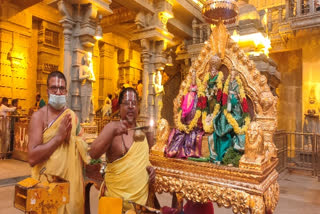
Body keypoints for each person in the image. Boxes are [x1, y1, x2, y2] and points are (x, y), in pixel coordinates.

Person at [28, 71, 88, 214]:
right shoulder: (39, 117)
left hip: (71, 187)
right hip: (46, 189)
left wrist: (76, 142)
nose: (58, 92)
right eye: (54, 88)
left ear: (66, 91)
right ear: (47, 91)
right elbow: (32, 158)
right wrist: (58, 138)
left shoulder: (72, 117)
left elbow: (83, 146)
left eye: (61, 88)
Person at [89, 87, 155, 212]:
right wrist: (111, 132)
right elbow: (93, 154)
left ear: (138, 107)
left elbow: (143, 160)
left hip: (139, 205)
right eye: (126, 103)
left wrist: (150, 169)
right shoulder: (111, 128)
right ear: (119, 107)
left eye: (134, 103)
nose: (131, 106)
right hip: (115, 204)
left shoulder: (142, 132)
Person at [165, 70, 204, 158]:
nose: (193, 78)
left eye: (195, 76)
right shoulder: (187, 90)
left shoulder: (199, 89)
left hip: (195, 113)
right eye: (192, 76)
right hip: (187, 105)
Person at [79, 52, 96, 123]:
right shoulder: (82, 67)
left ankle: (87, 119)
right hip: (84, 87)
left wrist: (90, 78)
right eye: (89, 57)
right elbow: (80, 77)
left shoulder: (90, 68)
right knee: (84, 104)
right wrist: (87, 76)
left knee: (88, 104)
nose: (90, 59)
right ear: (85, 58)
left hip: (89, 87)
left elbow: (94, 79)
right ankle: (83, 119)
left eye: (90, 57)